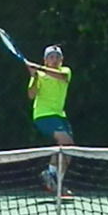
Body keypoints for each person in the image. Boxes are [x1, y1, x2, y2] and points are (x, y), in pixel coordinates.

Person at [26, 44, 74, 196]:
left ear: (62, 60)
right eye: (51, 57)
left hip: (60, 116)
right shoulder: (39, 75)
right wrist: (34, 76)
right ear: (45, 60)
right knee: (66, 142)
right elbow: (31, 95)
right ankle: (50, 173)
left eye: (57, 57)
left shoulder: (65, 71)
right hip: (43, 115)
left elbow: (62, 77)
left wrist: (39, 68)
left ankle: (56, 183)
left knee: (68, 150)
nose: (54, 60)